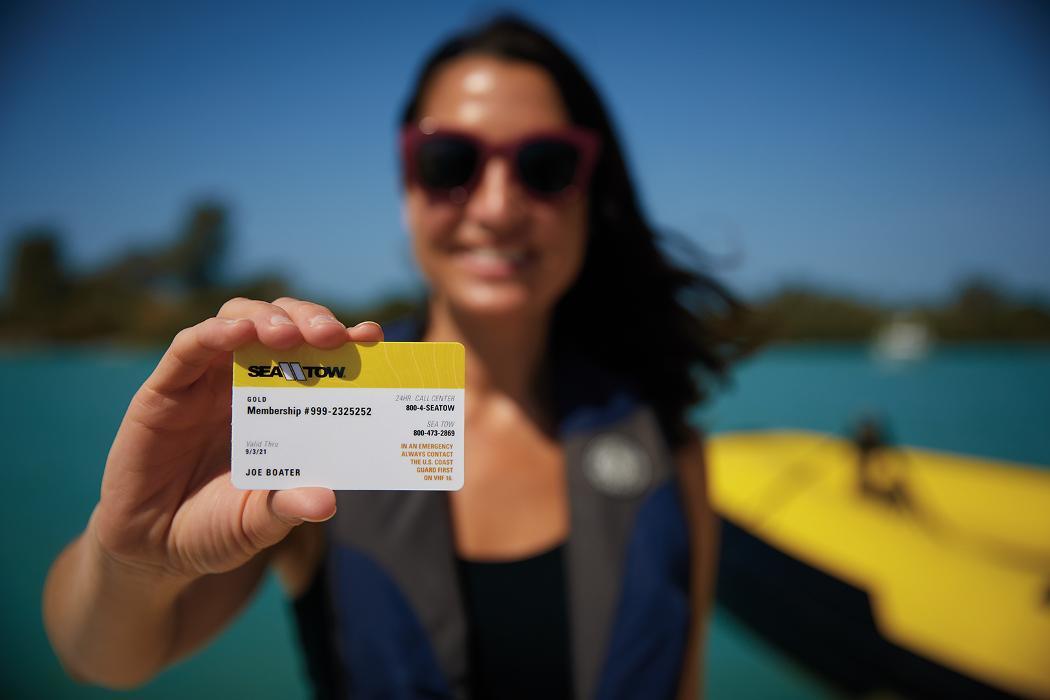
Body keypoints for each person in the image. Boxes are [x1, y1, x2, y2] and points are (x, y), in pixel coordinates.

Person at [43, 15, 749, 700]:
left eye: (546, 165)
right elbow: (102, 659)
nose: (497, 206)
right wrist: (131, 558)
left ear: (589, 192)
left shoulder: (666, 444)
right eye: (451, 161)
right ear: (405, 180)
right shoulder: (318, 416)